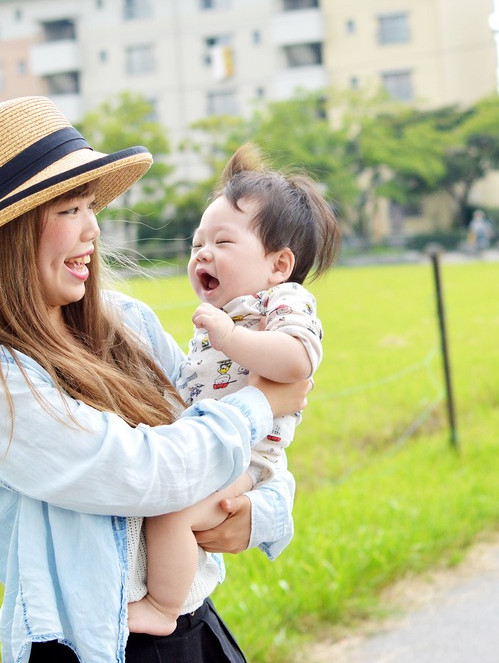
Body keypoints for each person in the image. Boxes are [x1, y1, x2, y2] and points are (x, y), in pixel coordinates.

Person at [0, 97, 306, 663]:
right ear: (5, 235)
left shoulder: (128, 323)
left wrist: (264, 511)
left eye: (90, 206)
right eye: (69, 210)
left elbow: (234, 438)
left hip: (194, 629)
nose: (93, 230)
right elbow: (145, 471)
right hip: (92, 646)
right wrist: (262, 402)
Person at [128, 144, 341, 636]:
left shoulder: (284, 300)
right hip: (222, 442)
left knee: (171, 517)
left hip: (249, 458)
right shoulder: (229, 313)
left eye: (223, 242)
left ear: (279, 264)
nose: (202, 253)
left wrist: (230, 337)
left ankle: (163, 608)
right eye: (197, 242)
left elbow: (297, 361)